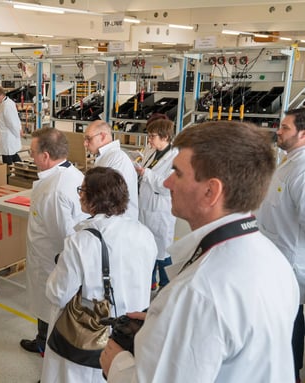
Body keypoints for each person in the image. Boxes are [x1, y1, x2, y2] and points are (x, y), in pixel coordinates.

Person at [100, 121, 299, 383]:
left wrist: (117, 364)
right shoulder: (273, 260)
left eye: (178, 173)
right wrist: (172, 327)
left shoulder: (198, 292)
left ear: (210, 191)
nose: (168, 183)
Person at [41, 167, 157, 383]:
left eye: (82, 190)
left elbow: (57, 294)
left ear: (94, 198)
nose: (79, 194)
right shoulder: (144, 233)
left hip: (88, 337)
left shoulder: (81, 241)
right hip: (128, 334)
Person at [20, 127, 89, 358]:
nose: (31, 156)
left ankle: (49, 358)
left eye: (32, 152)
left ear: (46, 156)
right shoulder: (72, 173)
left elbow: (64, 238)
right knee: (46, 309)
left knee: (53, 311)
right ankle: (42, 341)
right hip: (49, 260)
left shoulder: (55, 191)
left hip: (51, 263)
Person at [256, 107, 305, 383]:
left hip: (290, 267)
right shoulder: (289, 162)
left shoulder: (303, 170)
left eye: (285, 127)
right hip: (274, 264)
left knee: (289, 326)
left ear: (303, 134)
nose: (279, 131)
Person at [135, 119, 178, 291]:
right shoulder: (153, 152)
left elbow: (168, 185)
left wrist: (145, 173)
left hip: (161, 212)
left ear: (165, 137)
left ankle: (167, 285)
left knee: (163, 251)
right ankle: (151, 281)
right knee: (148, 248)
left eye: (152, 136)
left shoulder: (175, 157)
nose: (149, 140)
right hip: (145, 207)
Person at [84, 120, 138, 220]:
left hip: (118, 222)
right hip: (108, 220)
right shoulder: (106, 156)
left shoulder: (117, 158)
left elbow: (109, 197)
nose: (85, 144)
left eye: (88, 139)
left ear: (103, 136)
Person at [0, 85, 23, 164]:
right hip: (7, 136)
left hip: (8, 137)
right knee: (13, 155)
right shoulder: (7, 102)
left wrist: (18, 133)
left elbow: (12, 123)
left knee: (8, 159)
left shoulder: (6, 106)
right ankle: (23, 171)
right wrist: (19, 129)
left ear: (2, 95)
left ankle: (8, 175)